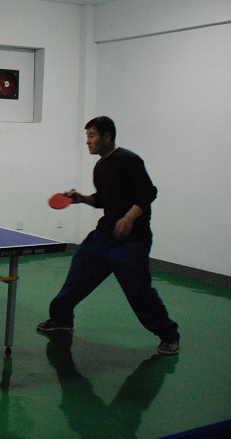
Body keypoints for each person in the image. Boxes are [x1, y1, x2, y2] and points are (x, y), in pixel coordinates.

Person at [37, 116, 180, 355]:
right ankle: (61, 319)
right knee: (77, 277)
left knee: (139, 292)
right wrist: (81, 198)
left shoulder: (129, 160)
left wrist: (129, 218)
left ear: (107, 137)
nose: (88, 141)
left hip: (132, 241)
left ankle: (169, 336)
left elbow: (148, 193)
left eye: (92, 136)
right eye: (87, 136)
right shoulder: (101, 166)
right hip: (103, 236)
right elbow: (103, 200)